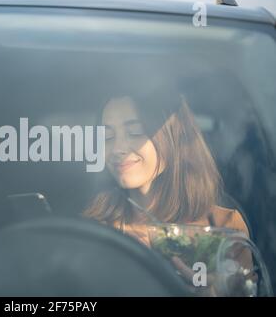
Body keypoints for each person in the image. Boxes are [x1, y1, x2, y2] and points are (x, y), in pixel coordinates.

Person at [83, 92, 251, 296]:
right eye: (107, 137)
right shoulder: (91, 228)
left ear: (174, 137)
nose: (117, 148)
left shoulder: (222, 229)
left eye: (135, 132)